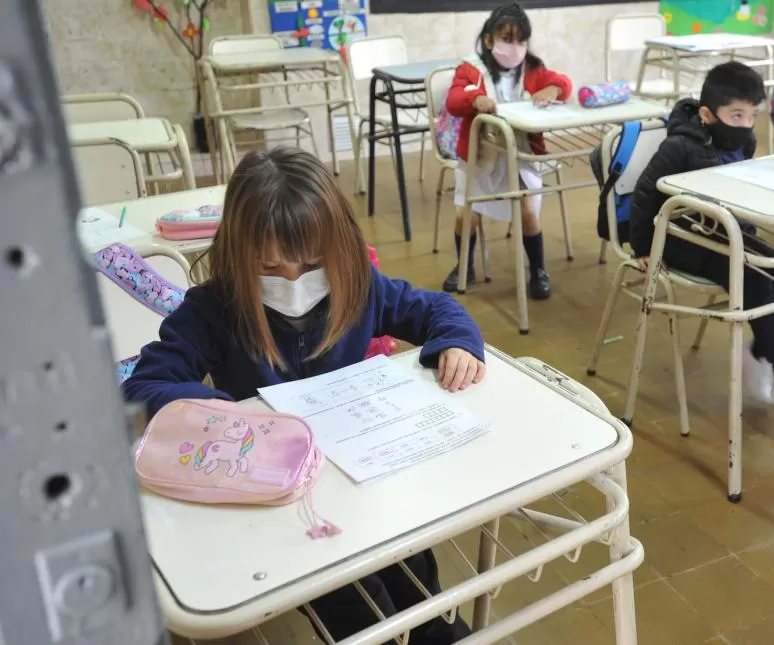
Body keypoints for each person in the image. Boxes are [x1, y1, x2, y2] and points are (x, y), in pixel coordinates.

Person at [122, 147, 483, 644]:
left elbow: (437, 308)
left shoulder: (360, 286)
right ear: (235, 254)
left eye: (311, 263)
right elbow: (143, 386)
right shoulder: (213, 308)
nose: (292, 280)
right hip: (283, 497)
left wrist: (458, 344)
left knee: (410, 556)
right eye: (268, 268)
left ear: (341, 249)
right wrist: (215, 411)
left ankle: (433, 627)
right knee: (347, 597)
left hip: (363, 472)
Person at [629, 62, 774, 426]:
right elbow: (645, 194)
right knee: (756, 281)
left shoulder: (746, 141)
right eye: (736, 115)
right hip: (681, 238)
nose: (745, 125)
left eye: (752, 116)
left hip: (726, 235)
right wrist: (643, 248)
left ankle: (760, 353)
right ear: (708, 114)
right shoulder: (679, 145)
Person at [441, 1, 572, 300]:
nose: (514, 47)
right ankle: (464, 265)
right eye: (507, 39)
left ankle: (538, 269)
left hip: (519, 153)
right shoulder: (470, 69)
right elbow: (454, 99)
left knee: (526, 208)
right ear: (489, 40)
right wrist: (475, 99)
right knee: (466, 212)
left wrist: (552, 90)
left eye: (521, 40)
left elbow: (562, 82)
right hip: (479, 154)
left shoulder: (532, 68)